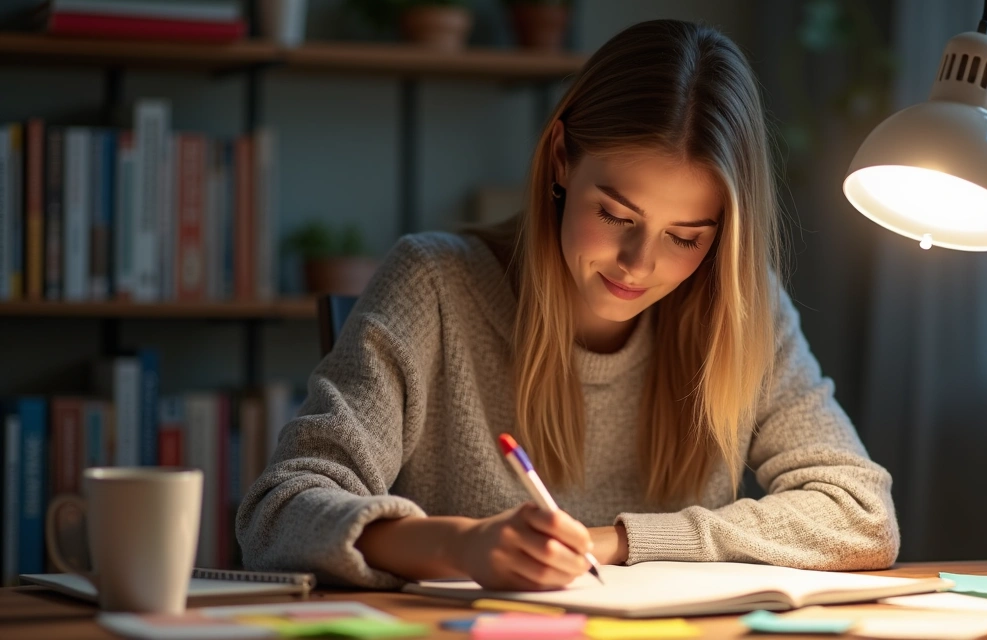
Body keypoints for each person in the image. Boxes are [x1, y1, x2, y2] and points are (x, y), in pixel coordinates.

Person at [237, 18, 899, 591]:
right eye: (615, 215)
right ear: (560, 159)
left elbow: (861, 515)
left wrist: (615, 540)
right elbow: (278, 513)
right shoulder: (433, 284)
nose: (640, 265)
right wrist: (458, 546)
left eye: (686, 237)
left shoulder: (743, 307)